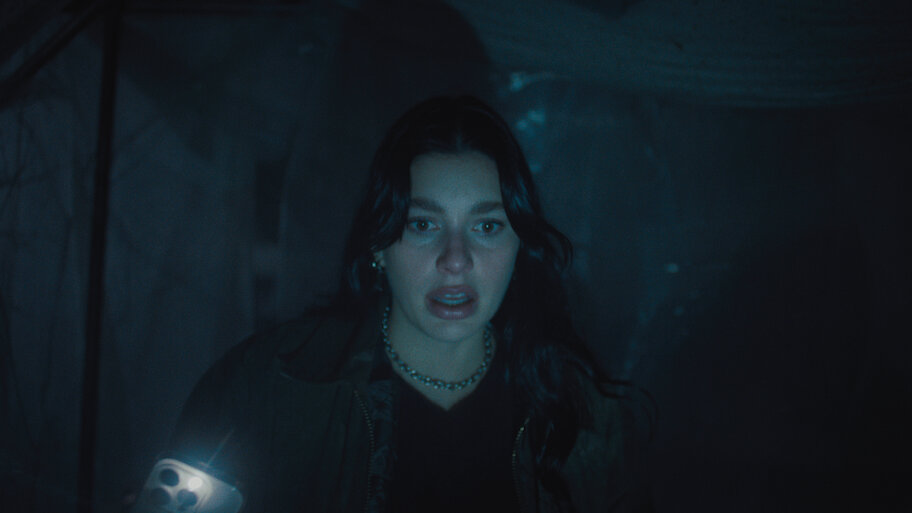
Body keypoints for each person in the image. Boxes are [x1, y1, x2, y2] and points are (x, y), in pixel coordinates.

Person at [170, 96, 652, 512]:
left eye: (486, 226)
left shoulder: (585, 420)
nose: (455, 260)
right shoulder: (266, 387)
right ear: (378, 244)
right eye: (423, 224)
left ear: (519, 246)